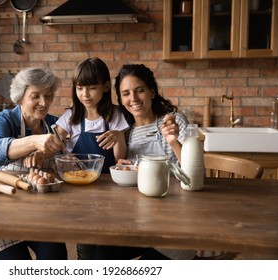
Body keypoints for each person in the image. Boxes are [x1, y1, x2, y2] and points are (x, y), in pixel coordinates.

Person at [81, 64, 196, 260]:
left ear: (152, 92)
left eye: (139, 90)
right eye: (126, 93)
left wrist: (173, 141)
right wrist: (124, 168)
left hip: (175, 227)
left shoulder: (173, 121)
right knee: (101, 256)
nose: (133, 99)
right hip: (138, 223)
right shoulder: (127, 133)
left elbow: (192, 177)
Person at [0, 67, 67, 260]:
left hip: (45, 217)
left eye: (48, 95)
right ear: (20, 98)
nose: (44, 103)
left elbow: (66, 161)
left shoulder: (54, 124)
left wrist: (53, 153)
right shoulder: (4, 119)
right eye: (35, 96)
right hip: (4, 216)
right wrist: (33, 142)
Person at [55, 57, 129, 174]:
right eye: (79, 88)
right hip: (75, 176)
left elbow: (118, 158)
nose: (85, 94)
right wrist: (64, 157)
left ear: (106, 86)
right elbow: (54, 143)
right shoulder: (71, 115)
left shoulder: (115, 114)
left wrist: (119, 136)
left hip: (107, 180)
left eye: (92, 88)